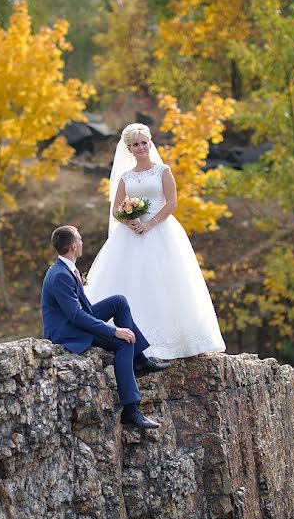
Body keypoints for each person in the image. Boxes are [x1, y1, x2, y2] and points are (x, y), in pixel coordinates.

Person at [85, 123, 226, 360]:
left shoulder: (163, 171)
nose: (140, 147)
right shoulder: (126, 177)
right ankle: (128, 336)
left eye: (144, 142)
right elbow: (116, 210)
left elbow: (171, 202)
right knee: (133, 280)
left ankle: (176, 342)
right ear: (129, 149)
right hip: (131, 233)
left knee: (167, 281)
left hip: (161, 230)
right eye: (135, 145)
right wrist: (130, 219)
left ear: (150, 143)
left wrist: (149, 224)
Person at [41, 225, 170, 429]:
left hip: (74, 321)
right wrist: (113, 331)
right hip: (68, 331)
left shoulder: (65, 268)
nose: (82, 242)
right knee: (123, 343)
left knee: (119, 302)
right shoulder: (60, 275)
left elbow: (80, 310)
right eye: (80, 239)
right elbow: (76, 316)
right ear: (74, 246)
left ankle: (139, 359)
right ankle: (131, 411)